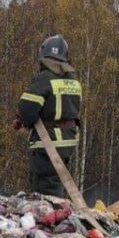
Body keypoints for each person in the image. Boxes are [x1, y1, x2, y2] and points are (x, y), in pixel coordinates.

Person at [15, 34, 82, 196]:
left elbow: (26, 109)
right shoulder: (73, 80)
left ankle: (50, 218)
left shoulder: (45, 78)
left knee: (44, 191)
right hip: (66, 142)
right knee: (55, 182)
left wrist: (23, 121)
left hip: (48, 144)